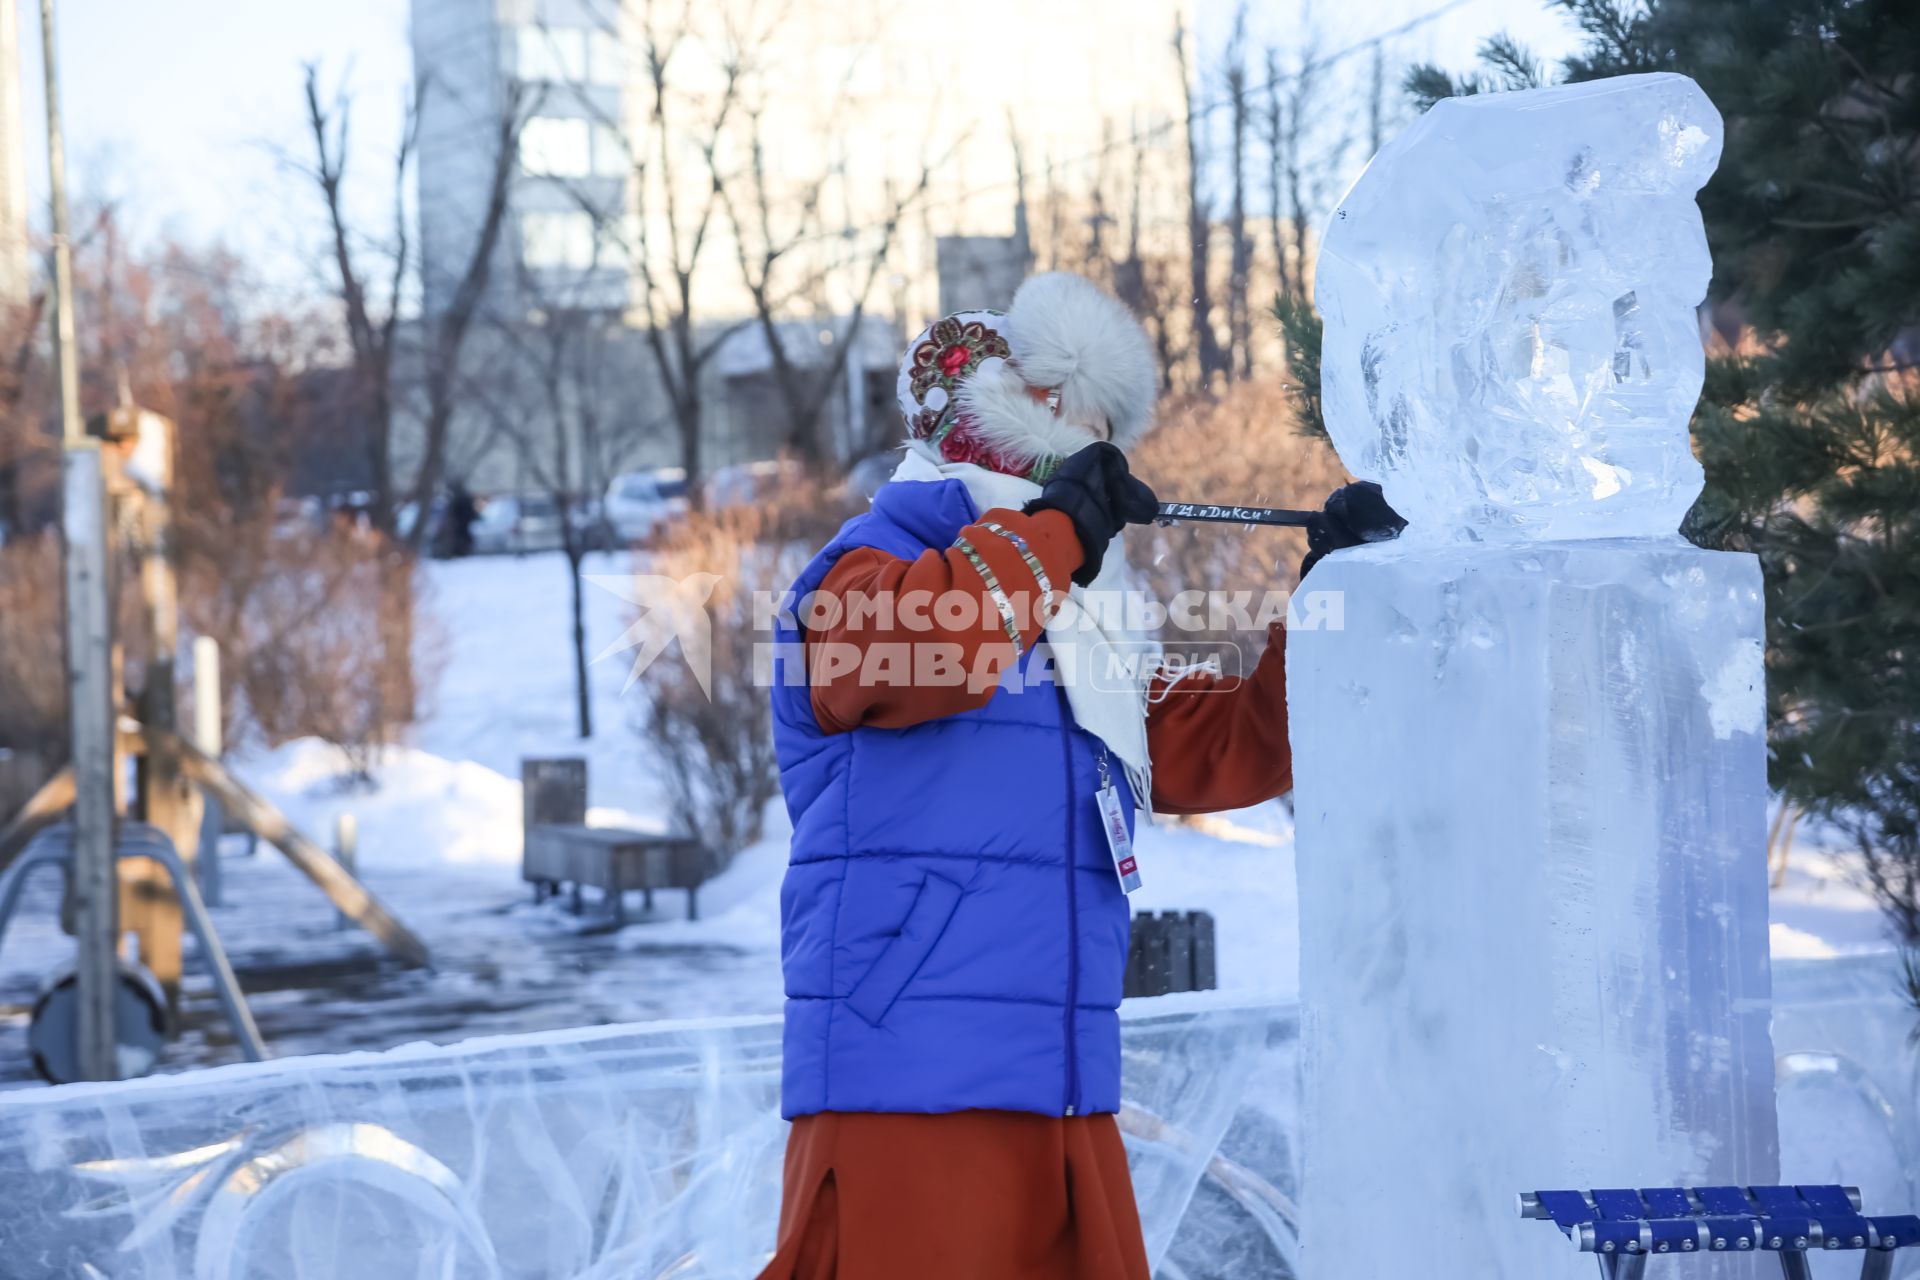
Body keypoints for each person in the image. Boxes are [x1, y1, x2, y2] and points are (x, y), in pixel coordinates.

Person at [760, 273, 1396, 1279]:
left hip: (1060, 1084)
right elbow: (935, 643)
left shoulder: (1073, 618)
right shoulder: (863, 567)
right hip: (910, 1081)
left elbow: (1229, 744)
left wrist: (1334, 593)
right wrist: (1055, 536)